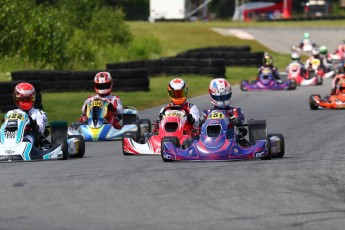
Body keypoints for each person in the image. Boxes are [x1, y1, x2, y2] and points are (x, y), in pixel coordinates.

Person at [200, 78, 249, 147]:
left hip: (230, 139)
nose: (221, 100)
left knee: (240, 132)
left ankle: (239, 144)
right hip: (207, 140)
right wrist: (201, 120)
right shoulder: (207, 112)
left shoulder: (235, 111)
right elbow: (197, 125)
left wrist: (235, 121)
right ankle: (205, 145)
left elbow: (240, 121)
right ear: (212, 96)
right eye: (218, 98)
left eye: (224, 97)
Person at [4, 82, 48, 148]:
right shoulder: (10, 113)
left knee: (31, 135)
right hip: (12, 136)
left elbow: (41, 130)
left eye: (28, 99)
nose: (25, 102)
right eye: (22, 99)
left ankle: (25, 145)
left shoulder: (38, 113)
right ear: (16, 98)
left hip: (30, 138)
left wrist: (34, 126)